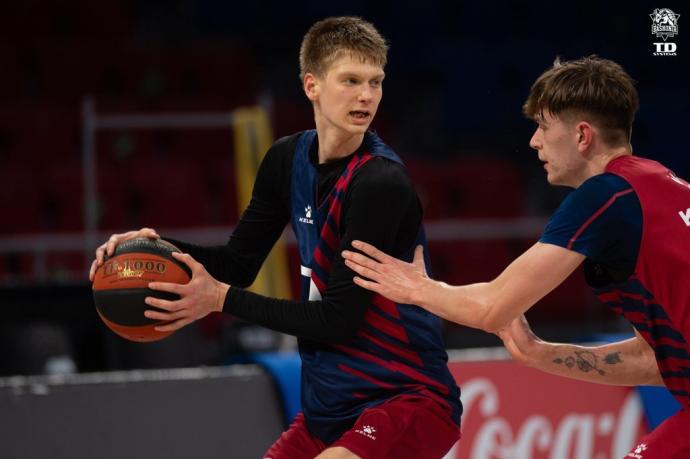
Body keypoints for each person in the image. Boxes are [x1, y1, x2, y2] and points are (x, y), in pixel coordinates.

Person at [89, 16, 461, 459]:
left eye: (375, 82)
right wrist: (152, 247)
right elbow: (237, 264)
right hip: (329, 408)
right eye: (351, 80)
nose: (366, 95)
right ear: (312, 85)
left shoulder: (381, 184)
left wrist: (220, 298)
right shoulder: (286, 159)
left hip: (407, 397)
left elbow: (338, 320)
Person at [341, 55, 690, 457]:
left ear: (582, 135)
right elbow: (659, 361)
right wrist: (541, 354)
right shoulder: (663, 183)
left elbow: (491, 308)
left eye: (542, 126)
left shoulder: (606, 194)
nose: (534, 141)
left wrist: (417, 289)